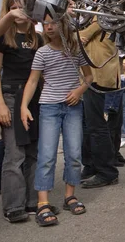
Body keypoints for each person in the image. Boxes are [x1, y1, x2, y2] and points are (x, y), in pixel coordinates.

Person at [20, 12, 93, 226]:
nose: (49, 27)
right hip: (49, 106)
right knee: (47, 154)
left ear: (64, 25)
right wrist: (24, 106)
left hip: (73, 106)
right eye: (45, 24)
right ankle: (43, 203)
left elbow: (88, 76)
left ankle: (70, 195)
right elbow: (33, 81)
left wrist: (79, 91)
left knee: (74, 153)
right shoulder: (42, 53)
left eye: (53, 23)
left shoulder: (76, 50)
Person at [0, 0, 43, 223]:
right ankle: (13, 205)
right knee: (14, 153)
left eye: (23, 7)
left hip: (35, 99)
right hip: (11, 96)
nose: (19, 11)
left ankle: (33, 201)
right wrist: (0, 103)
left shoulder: (39, 38)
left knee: (33, 151)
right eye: (14, 7)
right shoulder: (3, 36)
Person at [79, 0, 124, 187]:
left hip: (98, 73)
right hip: (93, 73)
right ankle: (91, 165)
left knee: (96, 125)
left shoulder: (103, 13)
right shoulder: (93, 12)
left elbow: (80, 37)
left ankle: (107, 171)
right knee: (90, 125)